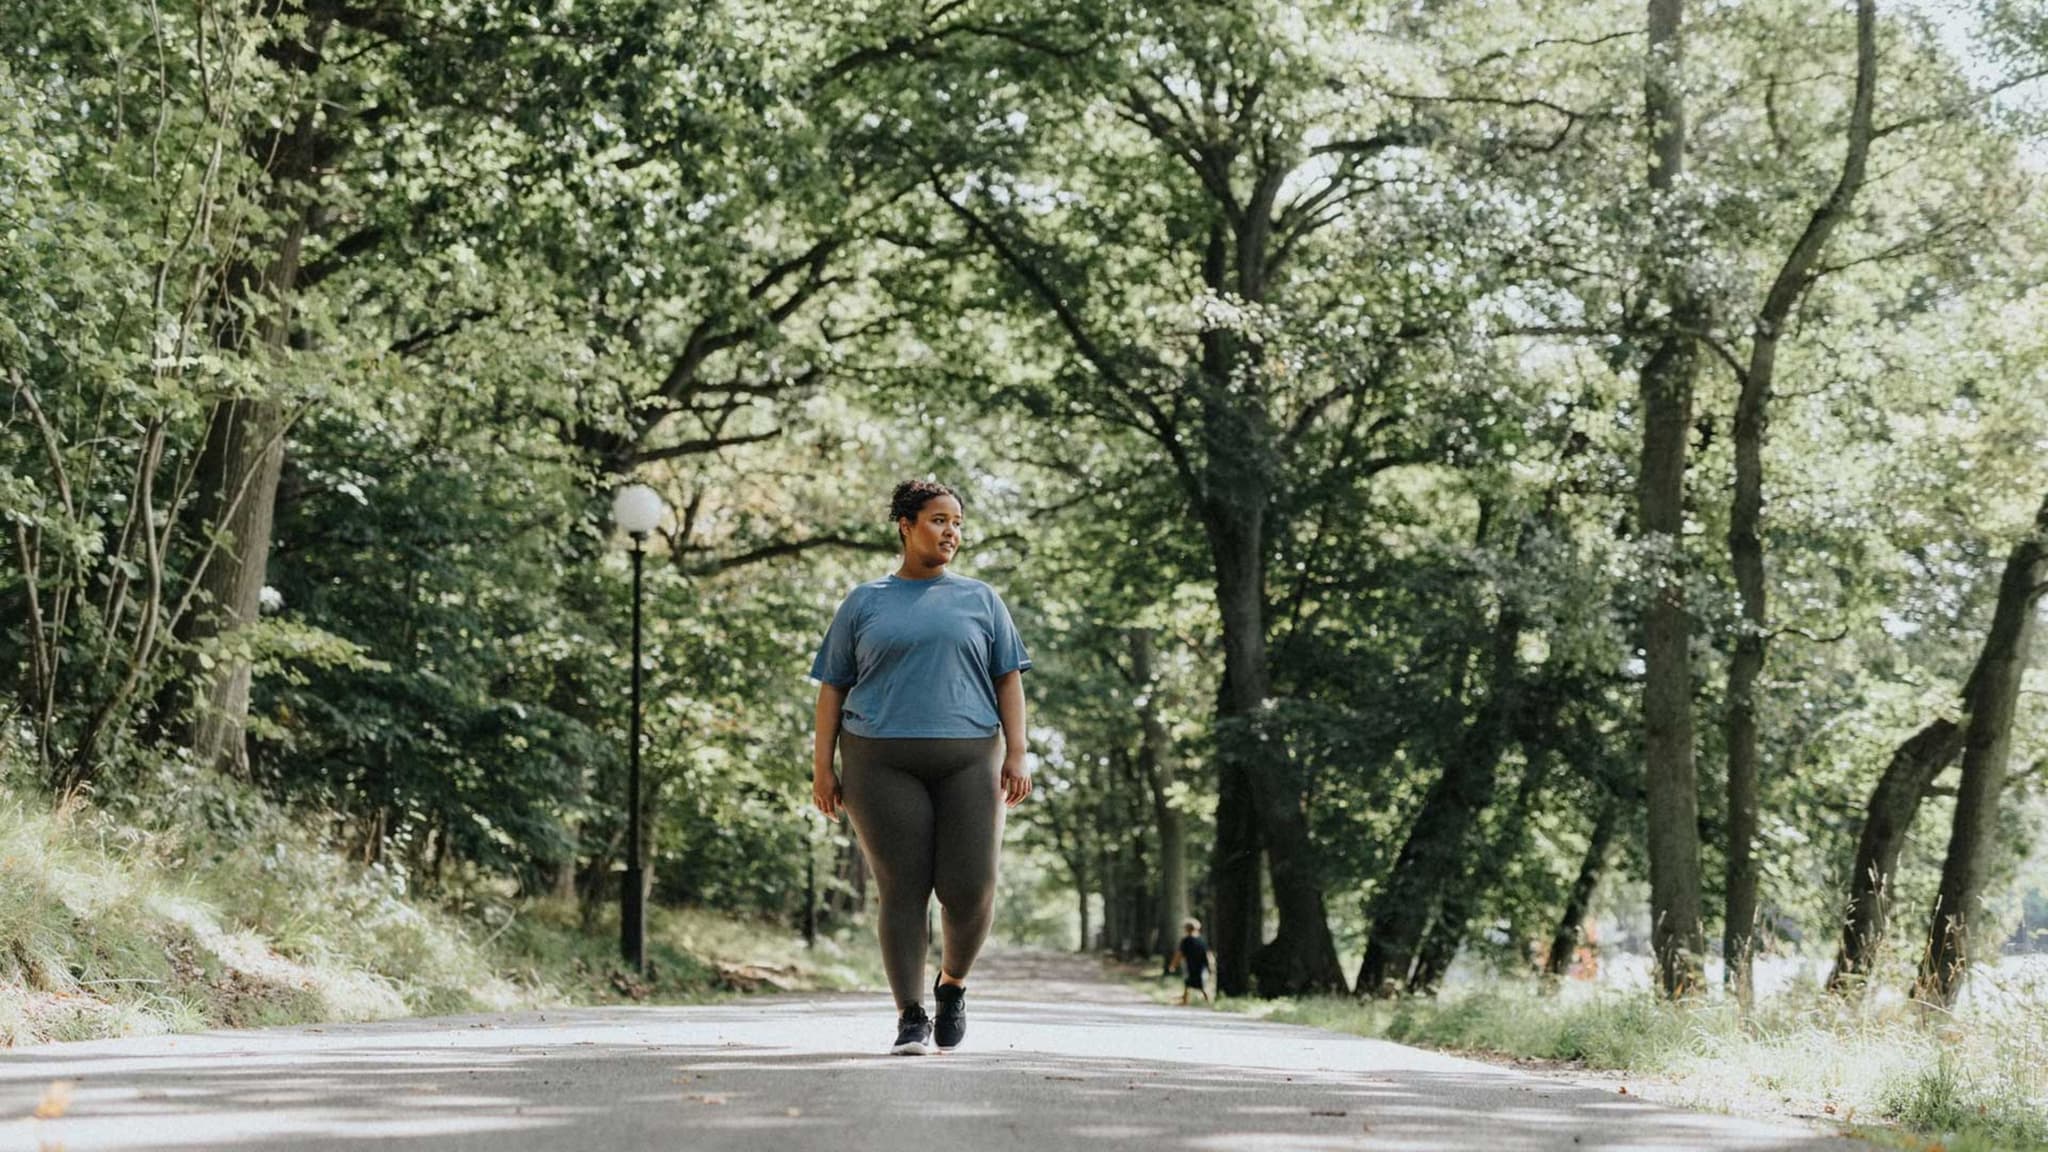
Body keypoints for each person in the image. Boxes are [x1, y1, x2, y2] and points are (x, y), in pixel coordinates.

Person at [810, 479, 1034, 1055]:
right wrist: (822, 768)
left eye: (957, 522)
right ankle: (910, 1015)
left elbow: (1008, 678)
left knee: (970, 887)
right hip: (878, 758)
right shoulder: (865, 602)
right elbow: (833, 687)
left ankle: (952, 984)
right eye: (938, 520)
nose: (951, 531)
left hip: (970, 756)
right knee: (903, 889)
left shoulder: (982, 600)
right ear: (905, 525)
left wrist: (1017, 751)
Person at [1168, 918, 1211, 1005]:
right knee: (1198, 983)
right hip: (1202, 965)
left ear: (1187, 929)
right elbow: (1208, 954)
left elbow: (1179, 954)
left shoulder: (1186, 940)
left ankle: (1186, 1001)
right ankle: (1207, 1001)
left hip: (1192, 964)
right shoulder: (1202, 940)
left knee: (1190, 982)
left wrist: (1173, 965)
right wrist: (1210, 966)